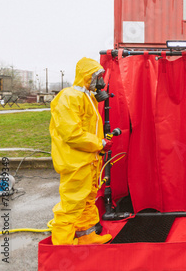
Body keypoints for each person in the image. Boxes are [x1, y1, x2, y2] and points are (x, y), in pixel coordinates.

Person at [50, 57, 113, 245]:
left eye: (102, 77)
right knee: (71, 204)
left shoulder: (88, 98)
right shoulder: (69, 97)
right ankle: (62, 246)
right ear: (86, 76)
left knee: (87, 200)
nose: (101, 82)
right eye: (97, 76)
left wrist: (100, 147)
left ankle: (86, 236)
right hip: (75, 161)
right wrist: (99, 144)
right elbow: (72, 134)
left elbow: (89, 128)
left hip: (89, 160)